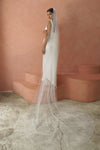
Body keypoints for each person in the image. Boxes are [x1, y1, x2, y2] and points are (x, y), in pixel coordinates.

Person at [24, 8, 95, 150]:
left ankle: (48, 82)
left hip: (48, 46)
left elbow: (47, 36)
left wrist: (43, 45)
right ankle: (49, 82)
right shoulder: (54, 24)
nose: (49, 16)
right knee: (50, 66)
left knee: (46, 65)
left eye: (50, 14)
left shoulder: (49, 23)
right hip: (53, 48)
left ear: (53, 15)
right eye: (47, 14)